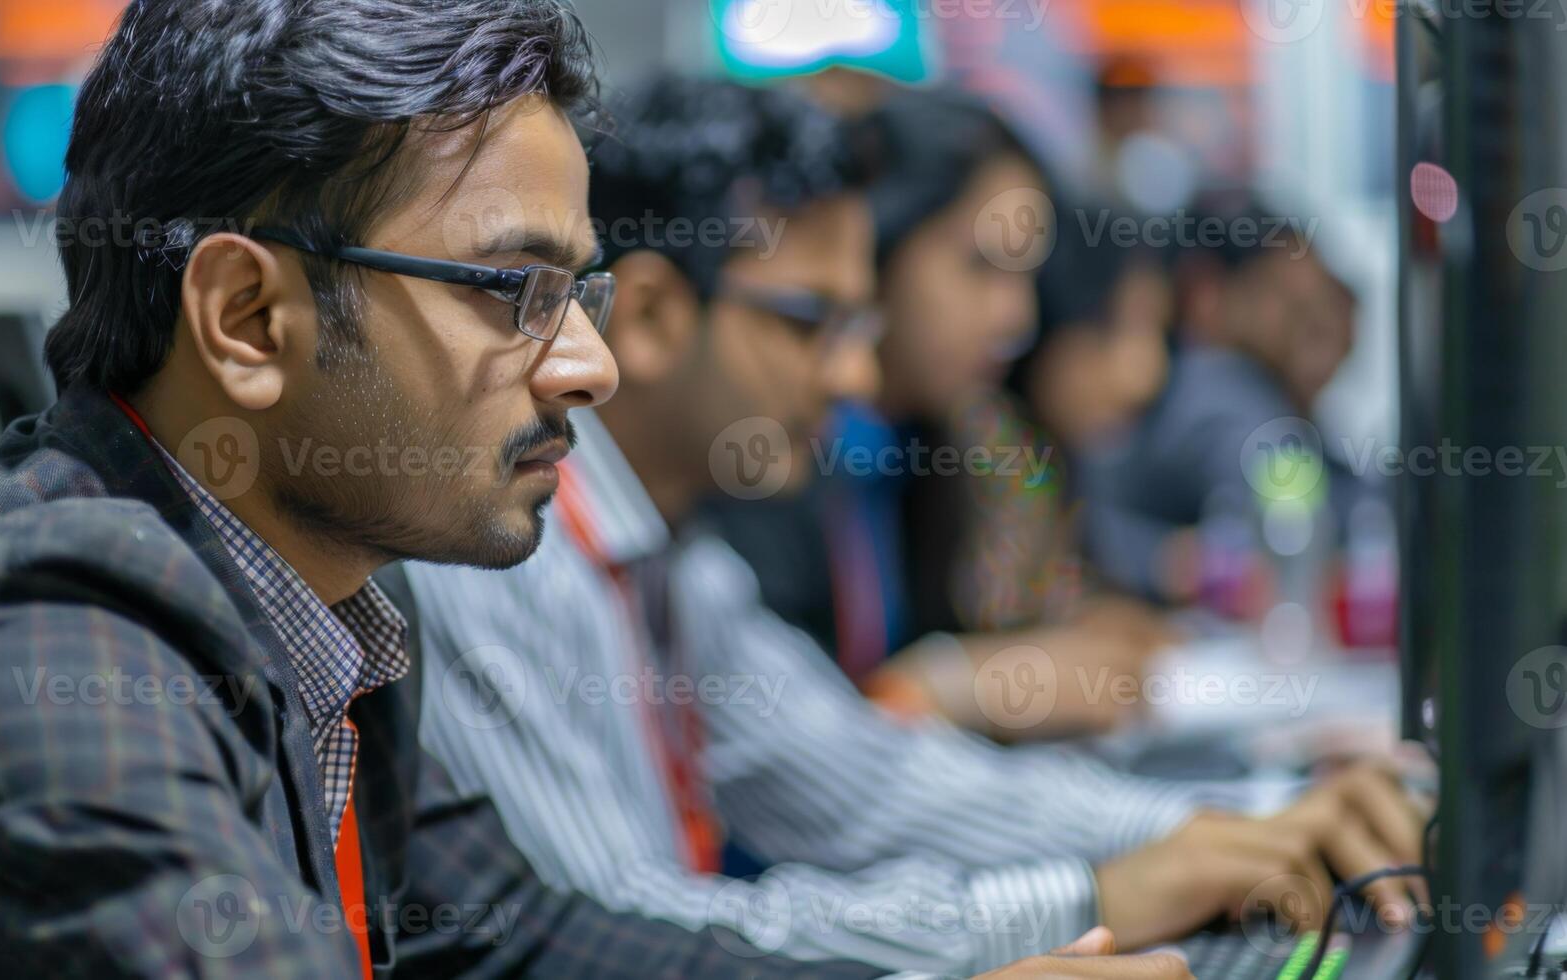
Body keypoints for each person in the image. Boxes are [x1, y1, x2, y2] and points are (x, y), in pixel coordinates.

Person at [0, 4, 893, 977]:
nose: (590, 365)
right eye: (516, 290)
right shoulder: (56, 610)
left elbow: (512, 936)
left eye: (579, 293)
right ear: (247, 318)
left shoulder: (332, 586)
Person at [405, 78, 1427, 978]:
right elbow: (616, 941)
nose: (852, 374)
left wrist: (1209, 836)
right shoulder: (502, 550)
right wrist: (1096, 892)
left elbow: (865, 781)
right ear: (661, 317)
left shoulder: (679, 558)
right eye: (813, 325)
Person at [707, 92, 1173, 738]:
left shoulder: (934, 441)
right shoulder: (777, 447)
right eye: (981, 266)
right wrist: (936, 689)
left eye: (1025, 279)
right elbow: (771, 748)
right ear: (874, 253)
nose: (1016, 319)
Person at [1075, 209, 1360, 610]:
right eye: (1291, 302)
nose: (1319, 330)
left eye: (1327, 301)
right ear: (1205, 294)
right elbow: (1301, 534)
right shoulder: (1221, 386)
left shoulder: (1240, 388)